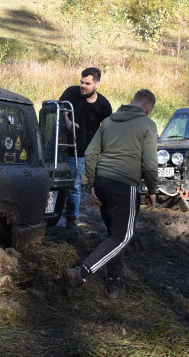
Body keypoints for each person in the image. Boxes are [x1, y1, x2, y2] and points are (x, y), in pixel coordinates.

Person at [63, 89, 157, 299]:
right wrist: (152, 190)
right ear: (148, 109)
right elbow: (150, 164)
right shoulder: (147, 125)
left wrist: (93, 183)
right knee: (124, 236)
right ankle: (81, 273)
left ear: (131, 101)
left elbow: (90, 153)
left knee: (115, 234)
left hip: (103, 183)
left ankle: (114, 283)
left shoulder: (109, 121)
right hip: (125, 185)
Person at [58, 68, 113, 230]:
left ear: (97, 84)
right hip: (61, 149)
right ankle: (49, 215)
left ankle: (71, 220)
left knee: (74, 185)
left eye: (87, 83)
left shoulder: (103, 104)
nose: (82, 86)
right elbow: (61, 110)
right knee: (55, 184)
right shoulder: (71, 93)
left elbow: (109, 127)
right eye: (82, 82)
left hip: (83, 153)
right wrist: (67, 122)